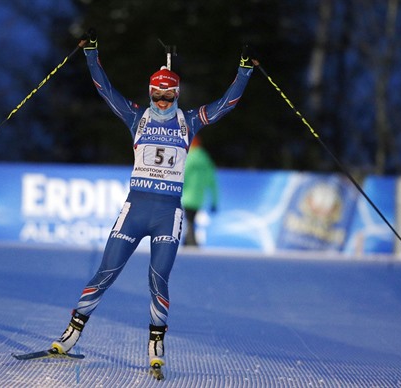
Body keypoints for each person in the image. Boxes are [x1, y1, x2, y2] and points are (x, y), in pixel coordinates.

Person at [50, 30, 254, 377]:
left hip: (168, 214)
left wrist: (244, 71)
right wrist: (91, 53)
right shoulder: (136, 117)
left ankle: (156, 346)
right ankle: (71, 334)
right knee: (105, 272)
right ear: (150, 93)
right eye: (157, 95)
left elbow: (226, 105)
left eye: (168, 95)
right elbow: (104, 89)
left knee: (158, 279)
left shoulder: (188, 121)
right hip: (135, 210)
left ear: (176, 93)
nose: (161, 101)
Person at [182, 136, 218, 246]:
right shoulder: (205, 158)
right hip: (198, 197)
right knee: (191, 219)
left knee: (189, 219)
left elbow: (183, 175)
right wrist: (214, 200)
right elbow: (212, 181)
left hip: (187, 196)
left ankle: (191, 241)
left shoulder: (189, 157)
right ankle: (188, 241)